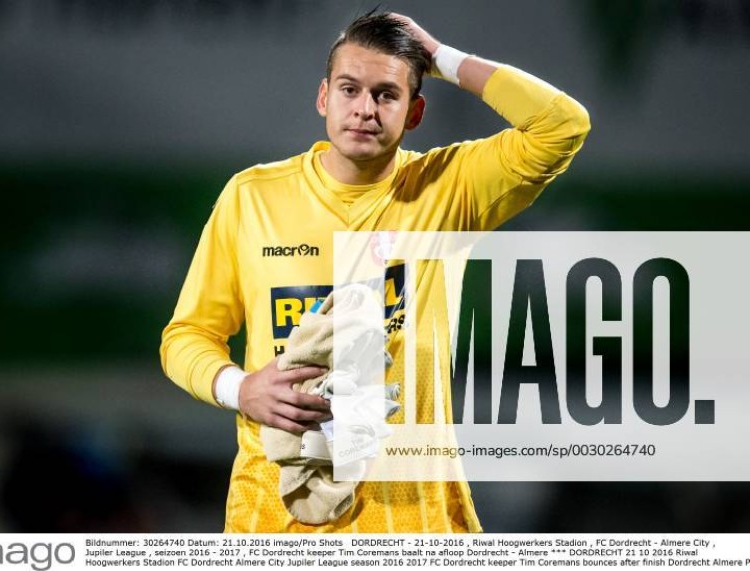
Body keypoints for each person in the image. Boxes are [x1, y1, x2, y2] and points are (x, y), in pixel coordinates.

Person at [160, 11, 590, 533]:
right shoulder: (253, 197)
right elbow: (187, 336)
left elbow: (563, 124)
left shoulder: (448, 188)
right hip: (277, 515)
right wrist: (239, 388)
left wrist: (441, 57)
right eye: (349, 89)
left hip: (412, 516)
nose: (365, 109)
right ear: (324, 98)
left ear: (415, 112)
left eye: (387, 94)